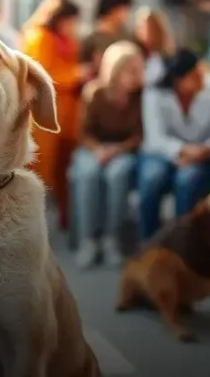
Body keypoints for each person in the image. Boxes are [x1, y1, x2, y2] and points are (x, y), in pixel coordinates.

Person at [69, 40, 145, 267]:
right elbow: (82, 132)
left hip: (124, 149)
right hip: (92, 147)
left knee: (117, 174)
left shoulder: (141, 96)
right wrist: (98, 150)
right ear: (116, 71)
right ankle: (88, 240)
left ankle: (113, 239)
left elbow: (139, 135)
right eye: (132, 70)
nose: (139, 75)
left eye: (140, 69)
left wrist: (117, 150)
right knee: (88, 174)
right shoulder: (94, 92)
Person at [137, 49, 210, 240]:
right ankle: (149, 241)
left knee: (187, 180)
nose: (202, 78)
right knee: (152, 178)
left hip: (203, 155)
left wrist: (204, 150)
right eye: (195, 75)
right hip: (161, 153)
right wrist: (183, 151)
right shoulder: (154, 94)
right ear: (178, 80)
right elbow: (155, 138)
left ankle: (183, 241)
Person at [22, 0, 86, 229]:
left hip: (67, 116)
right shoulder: (39, 37)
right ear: (58, 18)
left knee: (63, 170)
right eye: (70, 21)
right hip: (45, 118)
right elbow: (41, 76)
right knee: (41, 172)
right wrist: (77, 74)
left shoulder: (66, 38)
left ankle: (65, 221)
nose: (73, 26)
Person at [79, 0, 134, 78]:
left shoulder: (128, 36)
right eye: (124, 9)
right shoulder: (90, 39)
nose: (127, 14)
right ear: (112, 10)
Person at [134, 6, 176, 86]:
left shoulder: (168, 57)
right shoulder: (133, 53)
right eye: (142, 26)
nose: (146, 30)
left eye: (151, 27)